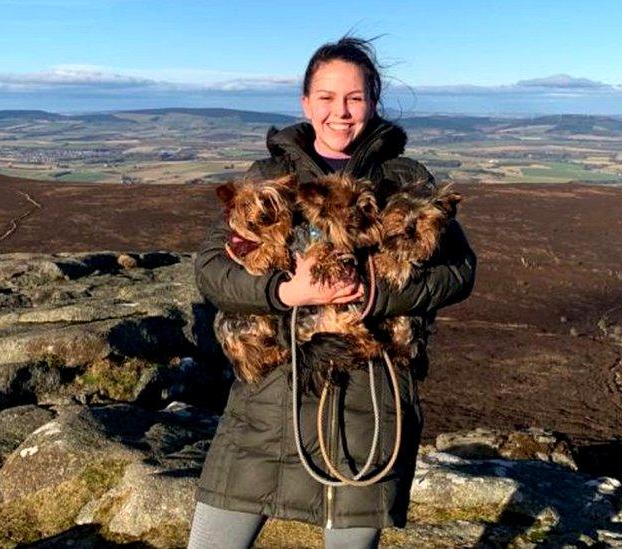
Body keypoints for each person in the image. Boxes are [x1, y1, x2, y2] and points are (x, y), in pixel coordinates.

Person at [189, 36, 476, 549]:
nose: (340, 113)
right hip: (268, 401)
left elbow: (460, 271)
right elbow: (211, 270)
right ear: (305, 103)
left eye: (354, 98)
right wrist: (284, 291)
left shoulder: (406, 181)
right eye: (326, 97)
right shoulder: (268, 180)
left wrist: (374, 296)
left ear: (373, 100)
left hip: (370, 401)